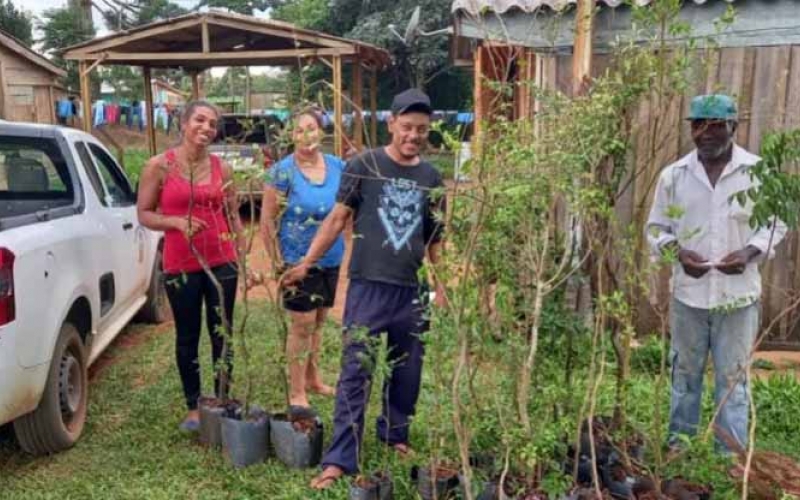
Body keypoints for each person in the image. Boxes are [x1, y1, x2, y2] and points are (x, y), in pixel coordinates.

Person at [283, 88, 447, 489]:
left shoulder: (431, 177)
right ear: (390, 123)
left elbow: (435, 238)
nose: (413, 135)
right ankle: (341, 457)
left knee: (407, 371)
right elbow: (337, 219)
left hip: (411, 290)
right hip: (368, 287)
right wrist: (306, 262)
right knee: (357, 370)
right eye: (407, 127)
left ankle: (394, 433)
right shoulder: (363, 165)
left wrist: (442, 284)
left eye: (421, 129)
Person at [646, 94, 787, 452]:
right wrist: (678, 253)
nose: (705, 133)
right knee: (684, 377)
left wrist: (749, 252)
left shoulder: (759, 172)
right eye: (698, 124)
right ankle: (679, 451)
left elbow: (776, 223)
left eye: (715, 125)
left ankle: (730, 462)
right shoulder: (674, 176)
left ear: (733, 127)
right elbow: (655, 228)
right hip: (687, 299)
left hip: (737, 297)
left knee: (732, 382)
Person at [137, 100, 246, 432]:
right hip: (181, 265)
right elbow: (143, 213)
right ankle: (194, 406)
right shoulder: (159, 166)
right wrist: (176, 223)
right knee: (187, 335)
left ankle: (224, 400)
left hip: (222, 263)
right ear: (184, 123)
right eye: (200, 120)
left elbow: (233, 218)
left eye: (212, 123)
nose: (206, 128)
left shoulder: (221, 169)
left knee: (222, 334)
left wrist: (242, 259)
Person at [260, 109, 345, 412]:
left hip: (331, 257)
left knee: (320, 320)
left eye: (311, 129)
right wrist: (278, 263)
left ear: (321, 133)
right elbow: (267, 222)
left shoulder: (338, 167)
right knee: (302, 323)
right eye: (299, 131)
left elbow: (347, 210)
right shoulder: (282, 172)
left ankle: (313, 378)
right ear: (290, 136)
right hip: (296, 261)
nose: (306, 136)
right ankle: (296, 391)